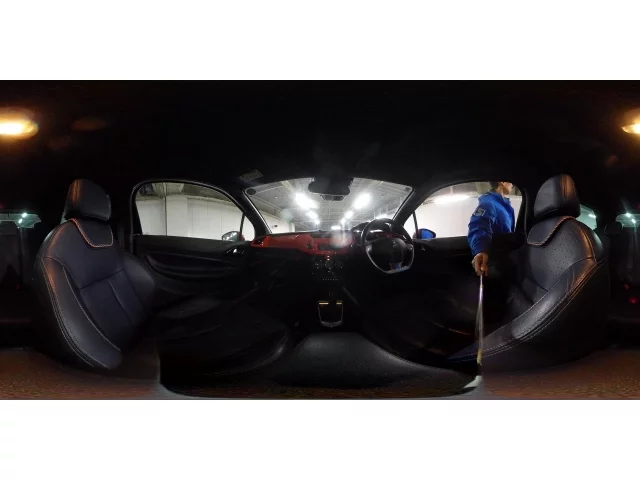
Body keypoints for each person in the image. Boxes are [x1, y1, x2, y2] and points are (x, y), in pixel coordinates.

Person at [468, 181, 515, 276]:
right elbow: (478, 225)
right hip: (497, 263)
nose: (512, 185)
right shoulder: (489, 203)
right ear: (502, 182)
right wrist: (481, 250)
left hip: (505, 258)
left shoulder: (502, 205)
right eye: (510, 182)